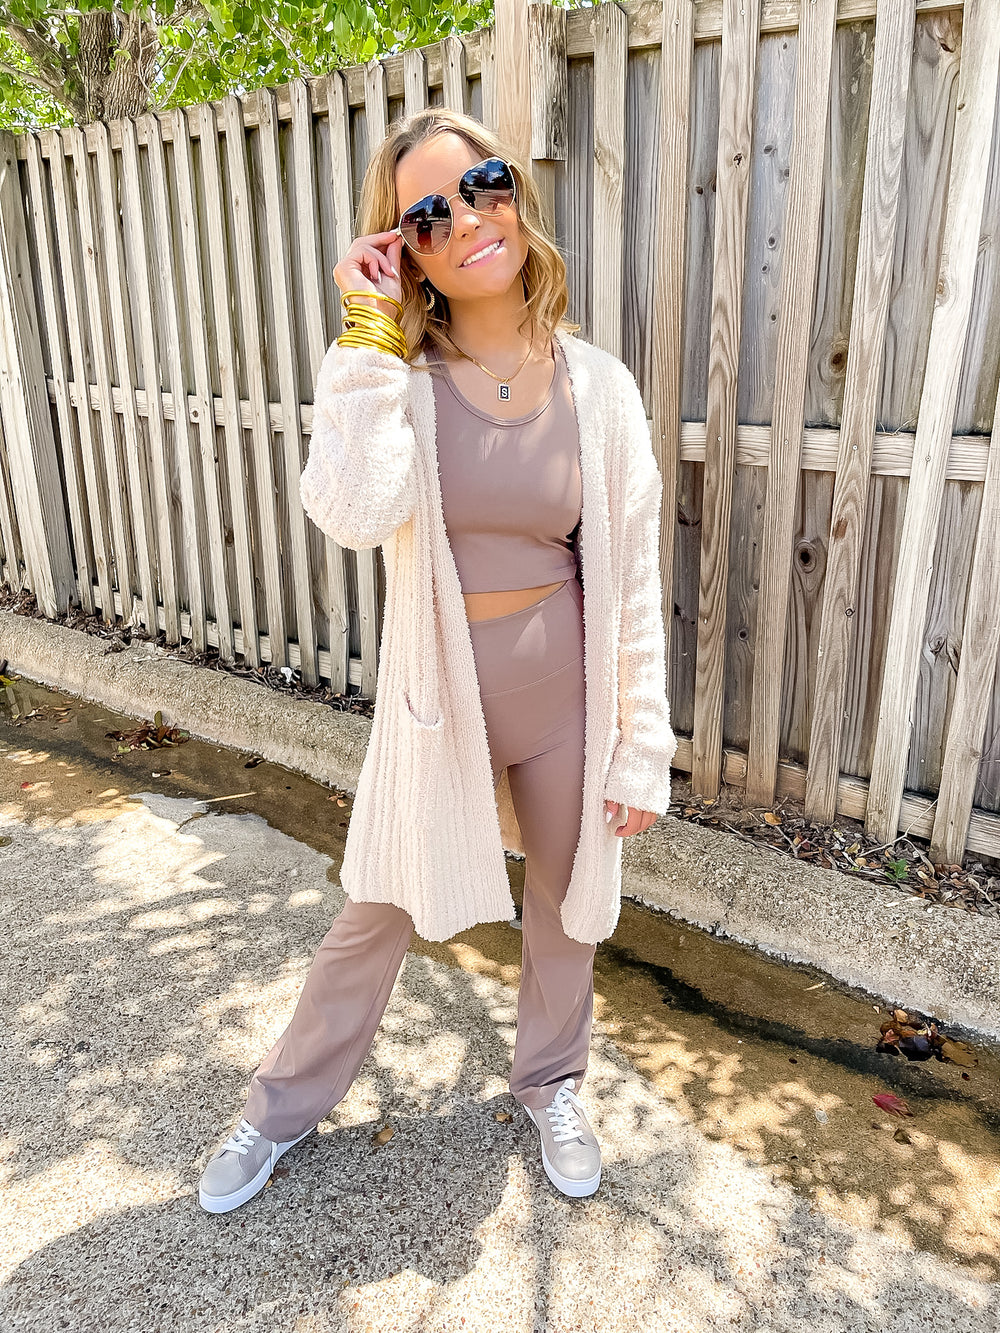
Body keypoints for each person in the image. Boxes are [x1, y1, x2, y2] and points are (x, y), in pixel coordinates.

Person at [198, 107, 676, 1214]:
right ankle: (277, 1107)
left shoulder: (599, 387)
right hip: (437, 703)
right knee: (375, 908)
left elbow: (634, 578)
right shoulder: (395, 377)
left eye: (482, 186)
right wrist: (367, 334)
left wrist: (640, 739)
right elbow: (353, 510)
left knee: (569, 902)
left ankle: (551, 1084)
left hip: (567, 695)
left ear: (515, 195)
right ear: (404, 250)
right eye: (426, 215)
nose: (465, 220)